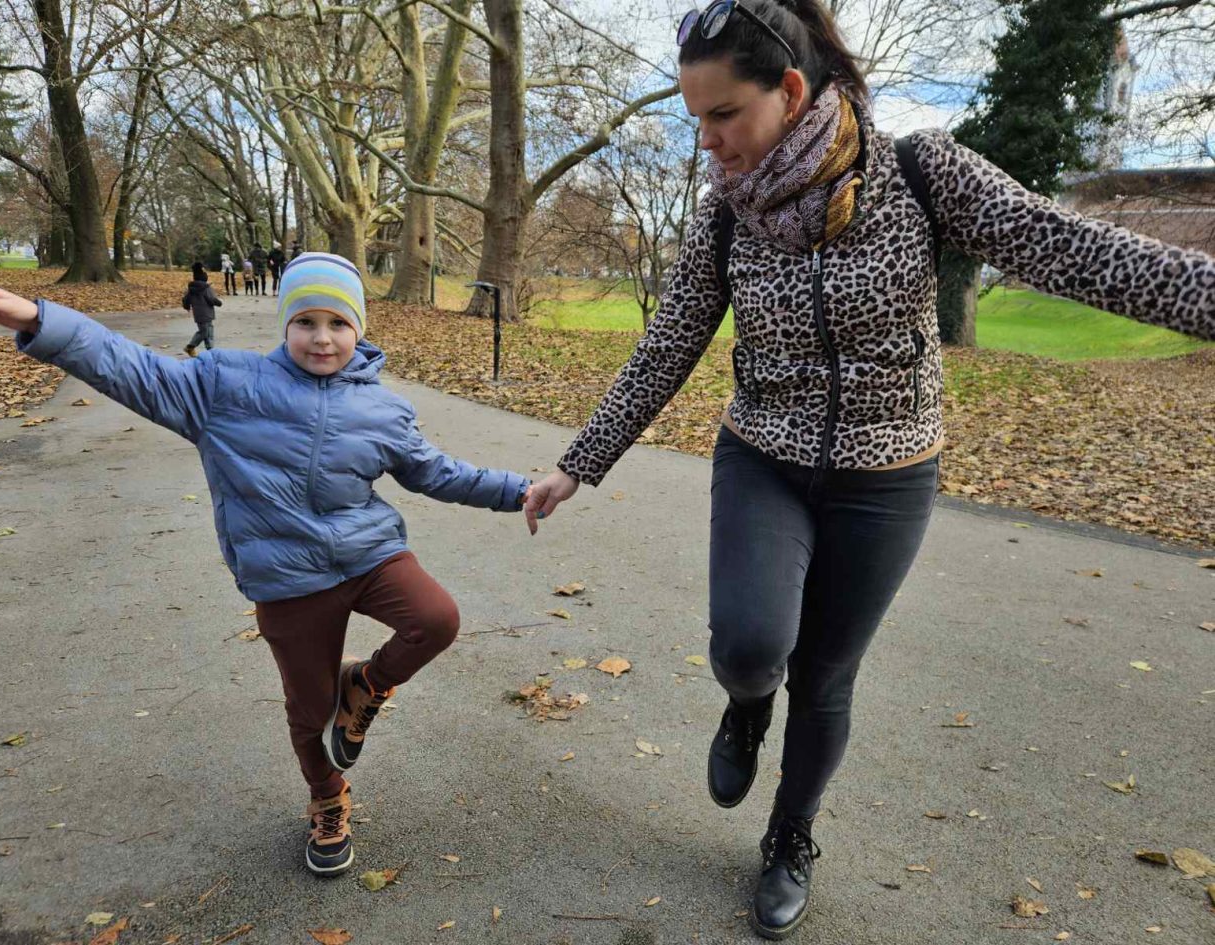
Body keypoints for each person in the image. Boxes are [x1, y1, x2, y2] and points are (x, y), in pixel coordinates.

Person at [520, 0, 1215, 938]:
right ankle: (745, 708)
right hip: (764, 455)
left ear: (789, 90)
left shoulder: (919, 173)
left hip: (888, 476)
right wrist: (581, 461)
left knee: (826, 674)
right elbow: (669, 342)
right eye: (696, 119)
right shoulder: (726, 214)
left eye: (722, 114)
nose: (708, 140)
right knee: (749, 647)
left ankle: (789, 835)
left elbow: (1068, 249)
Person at [0, 253, 531, 877]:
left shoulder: (382, 409)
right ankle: (327, 799)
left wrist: (521, 492)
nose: (322, 338)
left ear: (359, 329)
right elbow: (129, 367)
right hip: (287, 579)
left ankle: (365, 683)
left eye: (338, 323)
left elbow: (437, 473)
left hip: (368, 554)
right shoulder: (223, 386)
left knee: (436, 619)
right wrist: (40, 320)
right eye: (306, 321)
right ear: (285, 325)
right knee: (310, 712)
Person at [182, 262, 222, 356]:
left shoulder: (191, 289)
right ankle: (191, 347)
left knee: (207, 331)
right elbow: (211, 299)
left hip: (198, 314)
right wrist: (219, 302)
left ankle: (210, 350)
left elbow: (186, 299)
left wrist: (186, 306)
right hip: (207, 313)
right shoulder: (206, 288)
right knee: (206, 332)